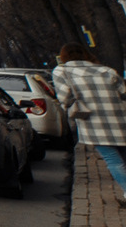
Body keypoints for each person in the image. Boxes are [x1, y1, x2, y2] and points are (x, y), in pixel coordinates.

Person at [52, 43, 126, 196]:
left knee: (112, 158)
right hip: (120, 117)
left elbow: (65, 98)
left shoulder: (61, 72)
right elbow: (123, 91)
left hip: (93, 122)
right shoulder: (106, 70)